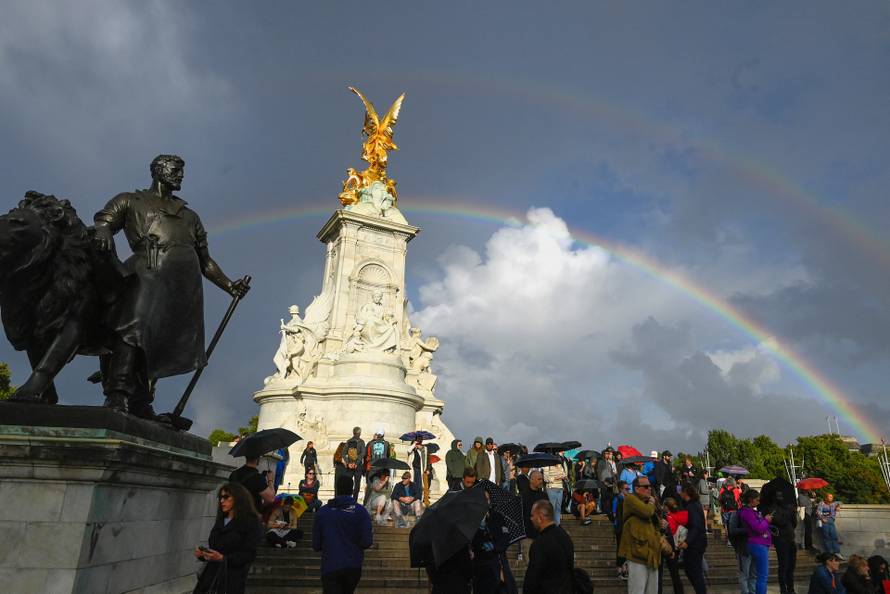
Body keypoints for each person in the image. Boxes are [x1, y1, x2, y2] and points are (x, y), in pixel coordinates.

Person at [93, 154, 250, 417]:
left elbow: (206, 261)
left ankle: (141, 401)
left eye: (181, 170)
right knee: (132, 329)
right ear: (158, 170)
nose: (180, 175)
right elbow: (104, 223)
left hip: (181, 287)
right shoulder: (130, 200)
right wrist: (103, 233)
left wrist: (229, 286)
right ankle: (117, 393)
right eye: (175, 170)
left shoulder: (190, 216)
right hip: (145, 273)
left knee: (156, 344)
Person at [193, 483, 263, 594]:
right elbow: (216, 546)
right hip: (210, 578)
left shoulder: (251, 522)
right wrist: (205, 555)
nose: (222, 501)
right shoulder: (221, 520)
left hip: (231, 579)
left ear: (239, 498)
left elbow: (249, 554)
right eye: (221, 497)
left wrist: (223, 558)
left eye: (226, 497)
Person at [312, 474, 373, 594]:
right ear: (352, 490)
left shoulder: (323, 512)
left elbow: (316, 545)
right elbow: (367, 542)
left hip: (330, 565)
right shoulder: (361, 512)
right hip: (353, 566)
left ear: (336, 488)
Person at [619, 476, 663, 594]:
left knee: (652, 591)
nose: (649, 489)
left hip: (652, 554)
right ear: (637, 488)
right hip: (637, 554)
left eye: (650, 486)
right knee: (637, 590)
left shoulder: (647, 502)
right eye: (646, 486)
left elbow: (657, 524)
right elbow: (646, 512)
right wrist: (652, 503)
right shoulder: (630, 499)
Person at [523, 500, 575, 594]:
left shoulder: (540, 543)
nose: (531, 519)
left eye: (532, 515)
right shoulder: (565, 537)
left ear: (540, 518)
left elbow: (532, 578)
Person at [472, 495, 517, 594]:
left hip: (497, 564)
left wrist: (494, 546)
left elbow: (505, 538)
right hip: (480, 567)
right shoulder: (472, 519)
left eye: (487, 499)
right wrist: (480, 531)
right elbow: (472, 542)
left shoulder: (497, 516)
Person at [739, 489, 773, 594]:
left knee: (756, 574)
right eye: (757, 500)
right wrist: (766, 520)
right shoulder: (747, 512)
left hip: (758, 544)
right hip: (758, 544)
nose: (759, 502)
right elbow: (758, 528)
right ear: (751, 500)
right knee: (763, 575)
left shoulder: (750, 512)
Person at [678, 484, 708, 594]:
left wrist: (687, 541)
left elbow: (695, 526)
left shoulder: (692, 506)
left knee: (694, 572)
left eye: (681, 491)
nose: (680, 493)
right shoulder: (694, 505)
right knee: (692, 571)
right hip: (697, 542)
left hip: (694, 544)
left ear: (686, 493)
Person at [522, 470, 549, 539]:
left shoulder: (544, 496)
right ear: (531, 480)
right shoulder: (523, 496)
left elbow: (548, 514)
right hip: (527, 535)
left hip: (542, 534)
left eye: (542, 479)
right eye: (539, 479)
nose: (541, 481)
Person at [543, 450, 567, 525]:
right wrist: (555, 478)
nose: (558, 462)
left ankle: (557, 524)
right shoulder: (547, 466)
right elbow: (546, 478)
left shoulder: (560, 466)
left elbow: (563, 474)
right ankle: (551, 524)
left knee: (558, 507)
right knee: (552, 507)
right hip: (551, 488)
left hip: (560, 487)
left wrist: (563, 476)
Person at [343, 427, 365, 501]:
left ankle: (347, 499)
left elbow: (343, 453)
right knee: (357, 484)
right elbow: (363, 453)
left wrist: (348, 463)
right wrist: (356, 463)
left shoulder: (348, 441)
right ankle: (354, 500)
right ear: (359, 433)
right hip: (357, 466)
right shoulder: (361, 442)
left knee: (348, 483)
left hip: (350, 465)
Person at [817, 493, 843, 558]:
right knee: (826, 537)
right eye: (829, 497)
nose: (831, 498)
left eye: (832, 497)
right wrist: (822, 518)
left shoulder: (834, 503)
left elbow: (840, 502)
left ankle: (837, 552)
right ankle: (830, 552)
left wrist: (838, 506)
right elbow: (818, 512)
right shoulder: (821, 503)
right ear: (825, 498)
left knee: (834, 536)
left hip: (831, 520)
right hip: (824, 521)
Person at [597, 447, 618, 521]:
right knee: (604, 497)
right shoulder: (601, 462)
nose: (607, 455)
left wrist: (613, 479)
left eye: (608, 453)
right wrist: (602, 481)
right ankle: (604, 511)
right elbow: (599, 473)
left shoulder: (609, 462)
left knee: (609, 498)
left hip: (610, 483)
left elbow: (612, 473)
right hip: (603, 483)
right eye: (606, 453)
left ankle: (608, 511)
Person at [719, 477, 742, 542]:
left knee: (726, 525)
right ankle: (733, 540)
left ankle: (728, 540)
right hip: (734, 510)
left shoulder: (722, 489)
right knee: (733, 525)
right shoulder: (736, 490)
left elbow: (720, 499)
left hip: (725, 510)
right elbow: (737, 500)